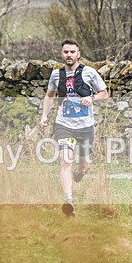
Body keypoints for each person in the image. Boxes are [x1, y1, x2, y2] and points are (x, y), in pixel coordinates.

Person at [40, 39, 109, 216]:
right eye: (66, 52)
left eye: (72, 52)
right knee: (65, 161)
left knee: (83, 165)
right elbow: (49, 96)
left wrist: (92, 98)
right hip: (64, 125)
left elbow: (104, 93)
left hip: (85, 126)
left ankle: (81, 172)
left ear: (78, 54)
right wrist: (45, 116)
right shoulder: (56, 75)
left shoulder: (89, 73)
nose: (69, 55)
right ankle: (68, 200)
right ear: (61, 54)